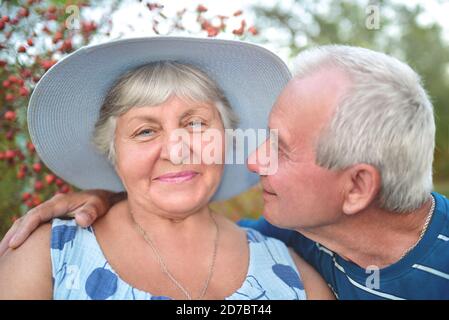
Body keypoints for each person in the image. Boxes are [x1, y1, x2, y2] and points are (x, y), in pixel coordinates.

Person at [3, 44, 449, 300]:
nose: (177, 149)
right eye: (143, 131)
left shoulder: (293, 265)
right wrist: (114, 196)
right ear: (112, 152)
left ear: (356, 189)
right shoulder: (48, 257)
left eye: (196, 124)